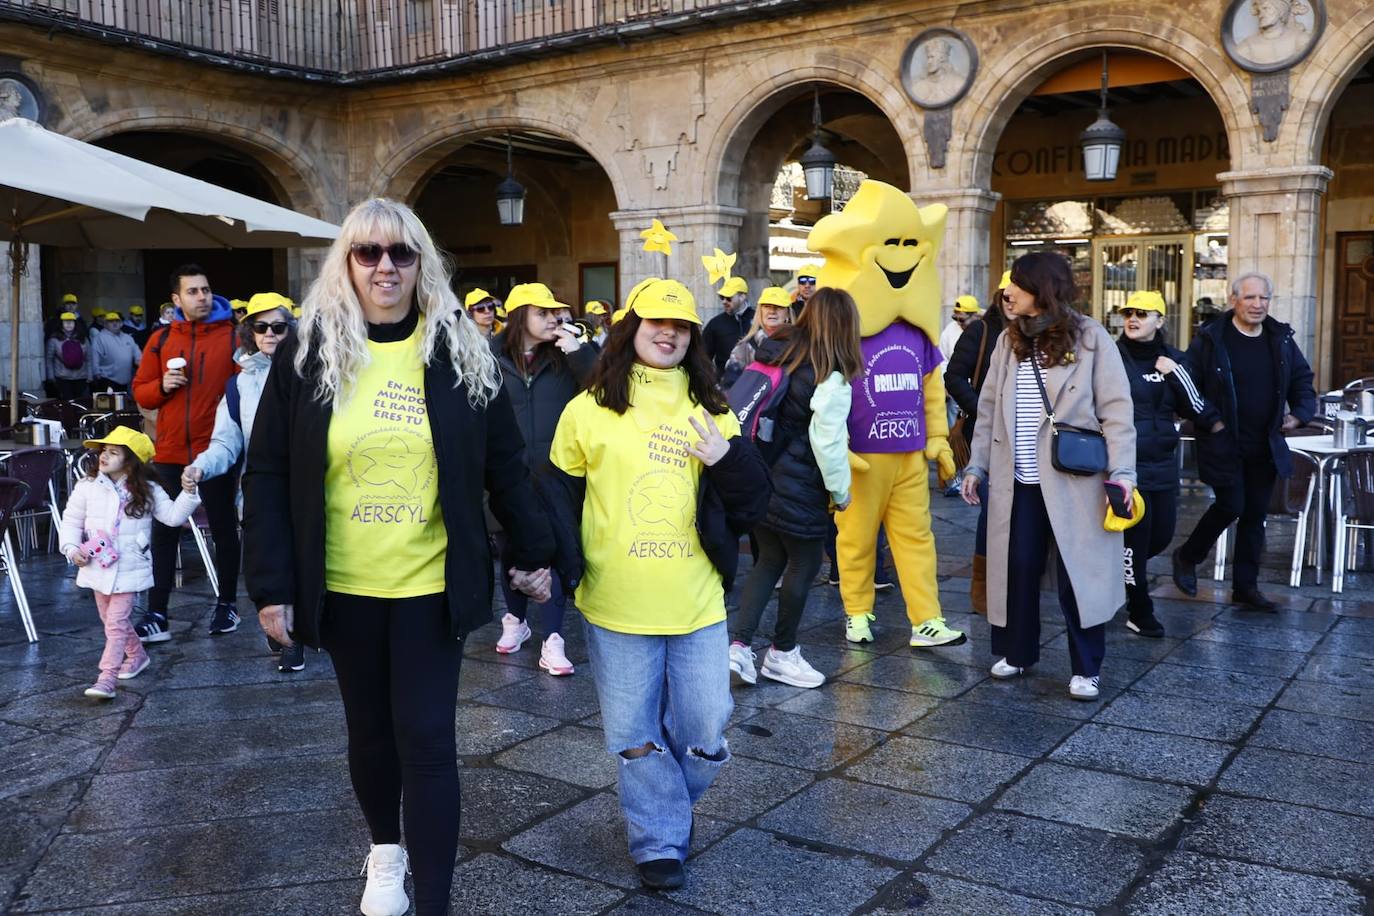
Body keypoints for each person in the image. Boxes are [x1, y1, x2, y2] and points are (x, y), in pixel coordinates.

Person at [243, 198, 554, 916]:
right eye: (368, 253)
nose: (385, 266)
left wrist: (534, 550)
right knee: (371, 733)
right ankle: (386, 850)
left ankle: (436, 901)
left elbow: (505, 464)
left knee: (426, 737)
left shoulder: (458, 351)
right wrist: (270, 585)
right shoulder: (307, 352)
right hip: (344, 585)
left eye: (401, 253)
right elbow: (267, 472)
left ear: (423, 263)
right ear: (346, 264)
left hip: (430, 585)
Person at [544, 278, 769, 891]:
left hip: (696, 601)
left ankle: (665, 808)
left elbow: (752, 504)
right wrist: (553, 568)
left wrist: (726, 458)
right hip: (615, 605)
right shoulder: (587, 409)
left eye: (680, 325)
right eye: (654, 323)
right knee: (632, 734)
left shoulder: (714, 407)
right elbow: (557, 499)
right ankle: (657, 839)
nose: (666, 333)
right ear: (630, 330)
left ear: (692, 337)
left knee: (706, 730)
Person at [961, 251, 1136, 701]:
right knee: (1016, 569)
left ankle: (1086, 667)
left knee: (1078, 575)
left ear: (1042, 290)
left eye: (1017, 284)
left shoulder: (1091, 338)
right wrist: (976, 464)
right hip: (1015, 480)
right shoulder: (1007, 340)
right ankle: (1018, 653)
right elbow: (988, 411)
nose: (1007, 291)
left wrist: (1123, 474)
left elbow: (1117, 412)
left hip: (1074, 480)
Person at [729, 287, 862, 689]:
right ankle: (782, 653)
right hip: (801, 485)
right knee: (803, 565)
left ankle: (738, 646)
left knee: (767, 560)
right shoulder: (831, 375)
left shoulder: (779, 352)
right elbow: (828, 443)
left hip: (761, 474)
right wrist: (840, 492)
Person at [1172, 271, 1316, 611]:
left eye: (1263, 298)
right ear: (1233, 299)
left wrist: (1301, 415)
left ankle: (1246, 588)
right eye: (1250, 297)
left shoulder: (1279, 338)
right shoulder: (1211, 339)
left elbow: (1302, 379)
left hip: (1265, 443)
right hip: (1224, 443)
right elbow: (1186, 386)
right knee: (1231, 505)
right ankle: (1187, 555)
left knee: (1255, 515)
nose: (1257, 304)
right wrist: (1213, 422)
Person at [182, 292, 299, 669]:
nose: (269, 334)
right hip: (260, 497)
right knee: (269, 569)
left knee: (303, 568)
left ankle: (297, 635)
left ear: (291, 331)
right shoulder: (239, 386)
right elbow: (226, 443)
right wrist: (200, 466)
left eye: (278, 327)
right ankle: (283, 634)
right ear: (249, 332)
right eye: (260, 327)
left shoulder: (312, 376)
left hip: (309, 494)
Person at [489, 281, 599, 675]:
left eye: (556, 312)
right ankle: (516, 621)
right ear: (520, 318)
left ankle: (553, 638)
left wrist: (581, 353)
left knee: (552, 551)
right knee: (511, 550)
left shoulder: (567, 356)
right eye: (543, 312)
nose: (554, 319)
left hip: (556, 475)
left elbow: (605, 391)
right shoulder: (490, 358)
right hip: (506, 475)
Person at [130, 265, 242, 643]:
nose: (202, 297)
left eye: (206, 289)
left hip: (215, 451)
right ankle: (157, 613)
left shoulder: (232, 337)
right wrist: (161, 385)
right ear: (176, 299)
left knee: (224, 529)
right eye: (192, 291)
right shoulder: (161, 340)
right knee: (164, 531)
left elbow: (247, 389)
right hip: (171, 449)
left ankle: (228, 605)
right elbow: (141, 392)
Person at [58, 427, 200, 700]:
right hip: (96, 566)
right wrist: (71, 548)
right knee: (110, 621)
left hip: (130, 565)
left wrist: (188, 493)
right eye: (103, 451)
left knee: (115, 623)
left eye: (114, 452)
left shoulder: (148, 490)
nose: (104, 456)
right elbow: (71, 520)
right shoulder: (87, 486)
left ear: (131, 460)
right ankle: (137, 655)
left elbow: (171, 517)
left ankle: (106, 678)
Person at [1114, 291, 1220, 638]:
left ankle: (1117, 577)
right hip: (1126, 466)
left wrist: (1175, 374)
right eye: (1129, 312)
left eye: (1143, 314)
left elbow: (1197, 410)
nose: (1133, 318)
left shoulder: (1175, 359)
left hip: (1163, 464)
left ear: (1160, 321)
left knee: (1159, 538)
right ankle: (1139, 608)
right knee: (1135, 540)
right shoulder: (1113, 358)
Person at [945, 272, 1012, 614]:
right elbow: (953, 376)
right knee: (994, 510)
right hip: (986, 437)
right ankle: (983, 588)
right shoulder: (981, 331)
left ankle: (1019, 580)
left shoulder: (1042, 335)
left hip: (1029, 439)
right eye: (1009, 291)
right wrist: (980, 410)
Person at [721, 286, 792, 387]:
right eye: (767, 306)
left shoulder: (799, 346)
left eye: (779, 306)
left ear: (788, 313)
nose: (772, 311)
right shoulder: (744, 348)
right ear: (760, 311)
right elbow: (729, 386)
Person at [702, 277, 753, 377]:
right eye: (722, 297)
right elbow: (703, 358)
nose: (724, 301)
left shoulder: (757, 320)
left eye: (729, 298)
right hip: (724, 385)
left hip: (755, 384)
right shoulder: (715, 324)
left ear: (742, 297)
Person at [89, 311, 142, 394]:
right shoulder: (99, 338)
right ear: (105, 324)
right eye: (111, 321)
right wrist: (96, 372)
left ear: (121, 323)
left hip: (125, 380)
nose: (115, 323)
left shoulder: (128, 337)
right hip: (106, 379)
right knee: (110, 405)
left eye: (117, 321)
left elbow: (136, 351)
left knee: (123, 405)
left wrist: (139, 360)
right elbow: (95, 355)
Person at [46, 311, 91, 400]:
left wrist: (90, 375)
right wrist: (50, 376)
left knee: (80, 402)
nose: (69, 324)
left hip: (81, 377)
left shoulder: (83, 338)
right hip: (62, 377)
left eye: (71, 321)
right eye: (66, 322)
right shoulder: (54, 339)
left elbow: (89, 358)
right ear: (61, 324)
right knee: (67, 403)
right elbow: (49, 359)